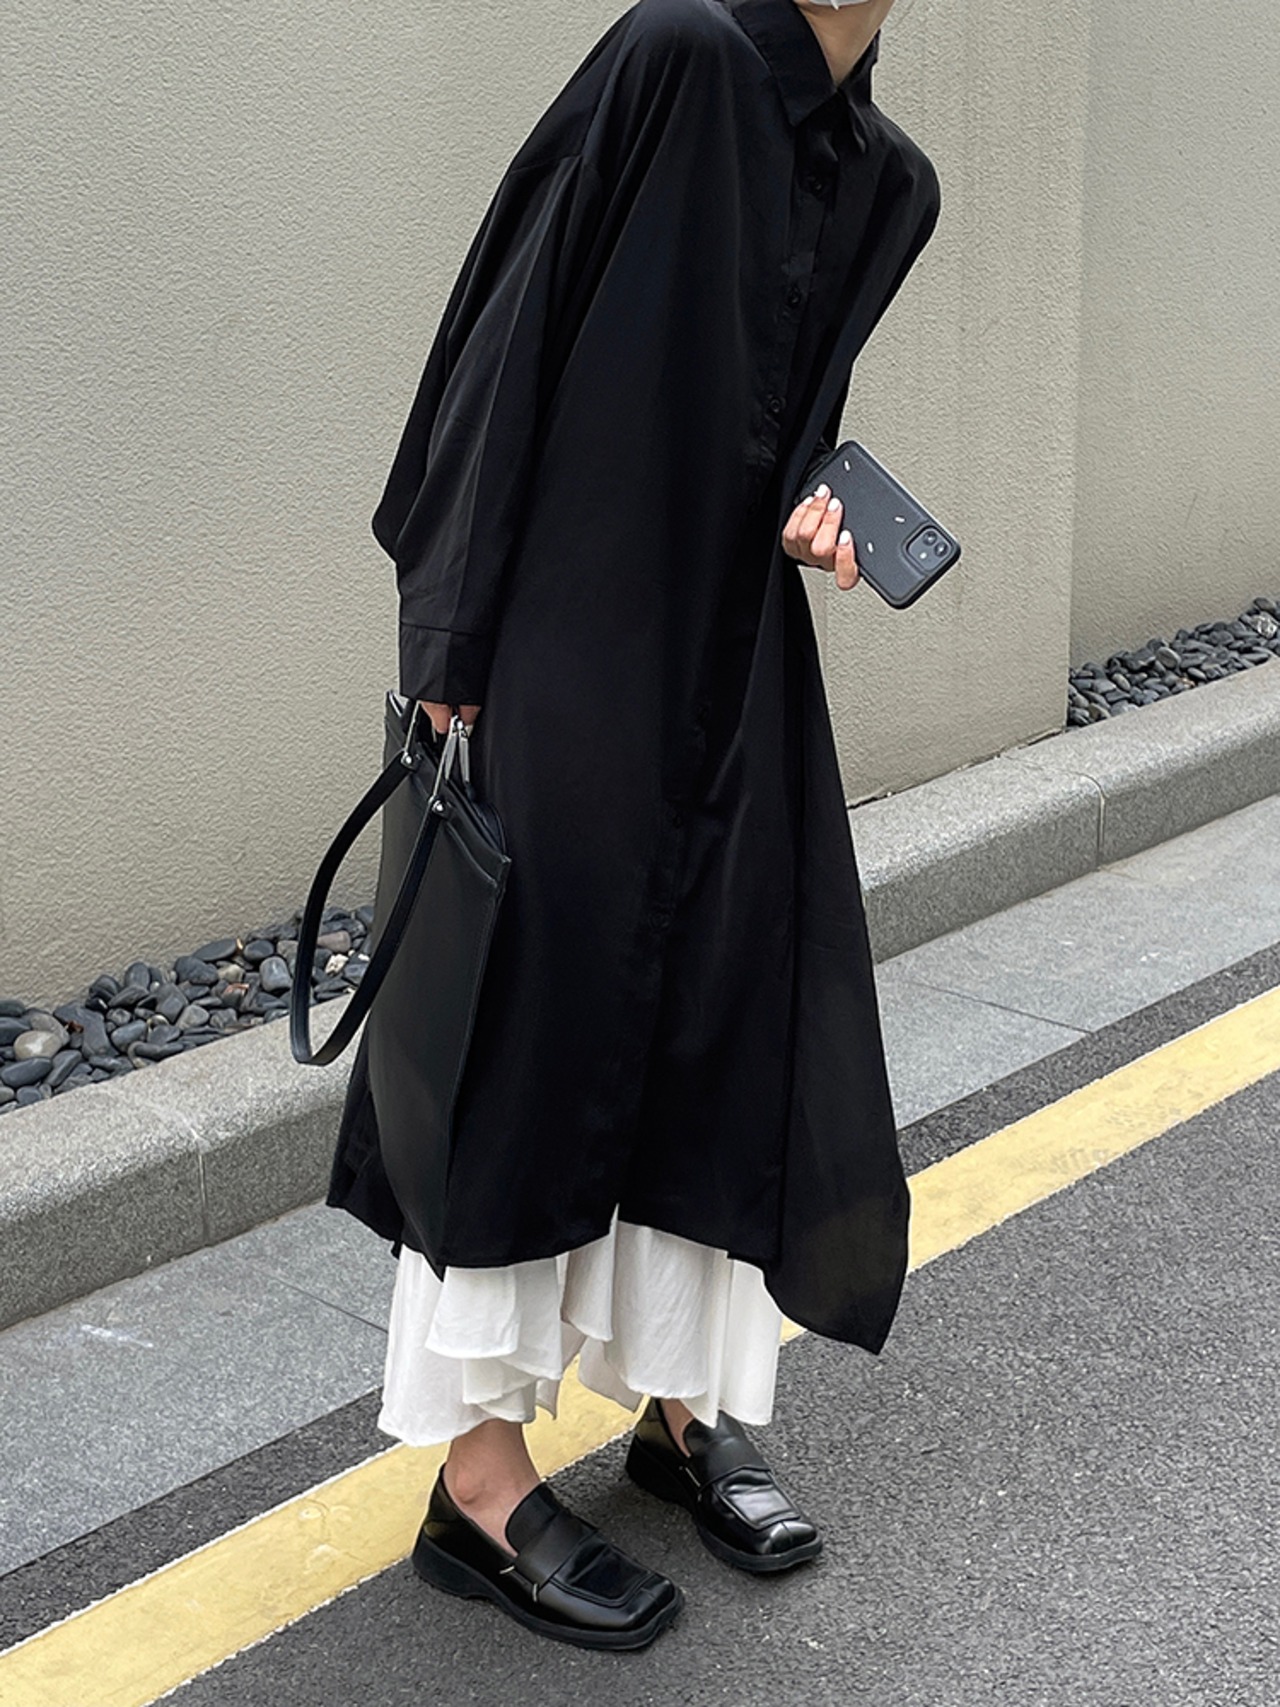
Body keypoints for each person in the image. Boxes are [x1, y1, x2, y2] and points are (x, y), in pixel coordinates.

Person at [328, 0, 941, 1652]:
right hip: (568, 646)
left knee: (716, 1031)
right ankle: (477, 1486)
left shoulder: (891, 182)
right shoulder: (675, 53)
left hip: (731, 669)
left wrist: (815, 507)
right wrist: (450, 651)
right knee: (524, 1040)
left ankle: (679, 1408)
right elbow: (502, 335)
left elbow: (773, 417)